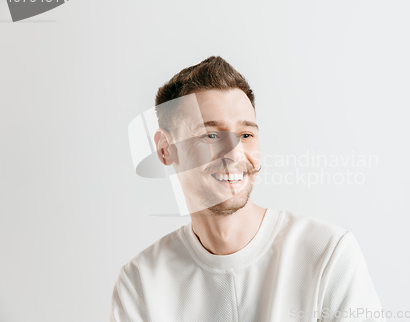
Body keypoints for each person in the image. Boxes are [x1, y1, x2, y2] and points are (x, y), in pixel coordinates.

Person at [109, 56, 385, 322]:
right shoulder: (140, 283)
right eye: (211, 135)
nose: (235, 154)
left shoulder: (327, 254)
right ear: (165, 149)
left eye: (246, 135)